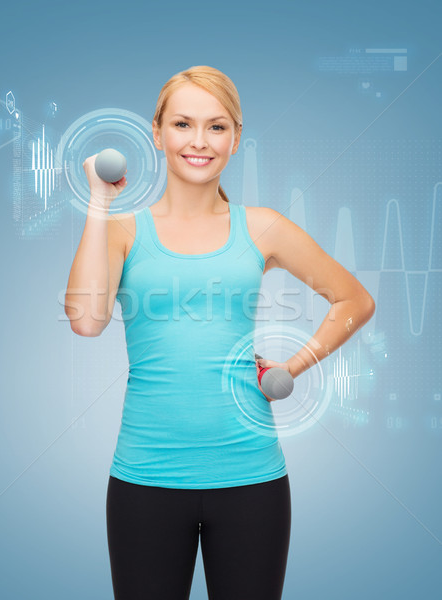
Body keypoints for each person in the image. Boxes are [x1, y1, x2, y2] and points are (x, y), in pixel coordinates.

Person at [64, 65, 376, 600]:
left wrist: (291, 366)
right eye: (183, 124)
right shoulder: (122, 228)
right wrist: (100, 201)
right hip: (145, 480)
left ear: (235, 139)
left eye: (217, 127)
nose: (199, 142)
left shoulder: (262, 226)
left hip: (252, 480)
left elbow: (355, 300)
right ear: (157, 130)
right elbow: (87, 320)